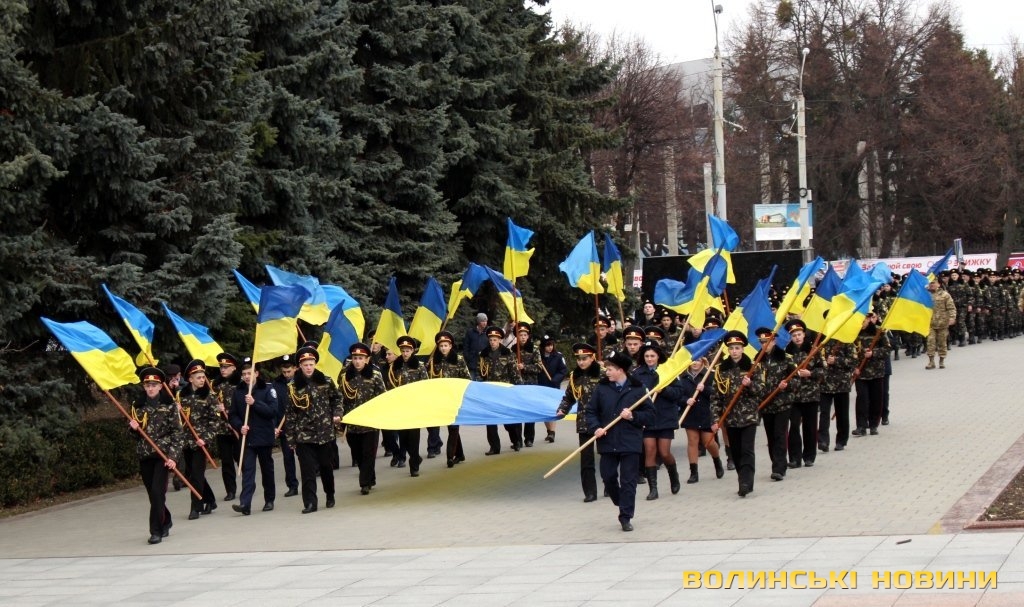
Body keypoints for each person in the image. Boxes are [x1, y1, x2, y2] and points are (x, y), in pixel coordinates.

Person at [586, 351, 655, 532]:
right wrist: (596, 427)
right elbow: (591, 411)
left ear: (621, 370)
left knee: (628, 480)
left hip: (630, 441)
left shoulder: (638, 388)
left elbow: (650, 415)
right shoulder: (602, 388)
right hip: (607, 440)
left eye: (610, 369)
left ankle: (626, 516)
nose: (606, 372)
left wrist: (633, 416)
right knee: (608, 476)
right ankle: (620, 500)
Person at [129, 367, 185, 544]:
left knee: (157, 492)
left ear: (161, 386)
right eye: (148, 385)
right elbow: (134, 436)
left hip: (163, 456)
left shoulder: (169, 405)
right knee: (153, 495)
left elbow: (177, 433)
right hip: (145, 455)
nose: (151, 388)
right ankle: (166, 520)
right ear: (144, 387)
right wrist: (133, 429)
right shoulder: (138, 406)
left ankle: (156, 531)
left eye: (154, 385)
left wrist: (173, 457)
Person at [287, 346, 343, 513]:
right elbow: (290, 413)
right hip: (304, 435)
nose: (308, 367)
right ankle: (310, 503)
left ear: (315, 364)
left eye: (311, 364)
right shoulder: (293, 387)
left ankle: (330, 494)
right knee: (307, 471)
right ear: (299, 366)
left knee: (326, 467)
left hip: (324, 433)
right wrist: (291, 439)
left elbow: (337, 398)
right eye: (305, 365)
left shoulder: (325, 381)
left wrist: (337, 413)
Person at [710, 331, 764, 497]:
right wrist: (715, 419)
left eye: (737, 348)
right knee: (736, 451)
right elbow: (716, 397)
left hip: (748, 416)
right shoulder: (721, 370)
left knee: (747, 450)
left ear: (743, 349)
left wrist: (750, 385)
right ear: (728, 350)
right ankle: (743, 477)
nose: (734, 351)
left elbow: (761, 390)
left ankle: (745, 482)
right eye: (732, 348)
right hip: (730, 417)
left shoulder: (752, 367)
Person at [631, 340, 683, 499]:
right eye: (646, 356)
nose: (649, 359)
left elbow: (678, 394)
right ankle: (653, 488)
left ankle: (673, 475)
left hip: (665, 416)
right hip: (647, 417)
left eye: (652, 356)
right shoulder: (637, 373)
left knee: (664, 452)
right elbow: (632, 394)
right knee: (650, 451)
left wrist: (664, 390)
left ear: (658, 356)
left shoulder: (668, 370)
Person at [229, 357, 279, 516]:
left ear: (256, 373)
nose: (246, 377)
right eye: (244, 374)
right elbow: (233, 415)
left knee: (267, 470)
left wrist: (255, 403)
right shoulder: (238, 391)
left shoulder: (267, 389)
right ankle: (245, 503)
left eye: (249, 373)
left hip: (264, 436)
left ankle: (269, 499)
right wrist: (239, 426)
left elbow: (272, 411)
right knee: (248, 470)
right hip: (248, 438)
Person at [555, 343, 603, 502]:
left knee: (607, 456)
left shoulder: (603, 373)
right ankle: (590, 492)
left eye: (585, 358)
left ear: (592, 358)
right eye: (579, 359)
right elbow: (569, 396)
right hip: (584, 422)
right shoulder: (574, 376)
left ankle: (609, 486)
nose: (581, 362)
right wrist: (562, 409)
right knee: (586, 460)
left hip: (603, 422)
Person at [177, 359, 222, 519]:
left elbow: (215, 421)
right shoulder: (181, 396)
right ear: (190, 379)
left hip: (200, 442)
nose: (202, 380)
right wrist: (176, 410)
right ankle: (210, 500)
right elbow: (176, 420)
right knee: (193, 474)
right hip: (186, 441)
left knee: (196, 475)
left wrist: (205, 438)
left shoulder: (209, 396)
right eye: (198, 377)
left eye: (203, 377)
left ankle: (195, 508)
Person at [341, 343, 388, 495]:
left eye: (360, 358)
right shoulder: (345, 376)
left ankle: (364, 483)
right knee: (358, 454)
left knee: (368, 453)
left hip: (370, 422)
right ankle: (369, 476)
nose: (357, 361)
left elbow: (382, 396)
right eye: (355, 358)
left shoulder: (375, 374)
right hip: (352, 423)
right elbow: (339, 397)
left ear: (366, 359)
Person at [783, 319, 824, 469]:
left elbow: (823, 371)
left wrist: (810, 373)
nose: (797, 338)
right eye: (794, 335)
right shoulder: (786, 353)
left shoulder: (813, 351)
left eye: (799, 334)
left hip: (810, 394)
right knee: (794, 426)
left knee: (810, 426)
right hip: (793, 396)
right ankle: (795, 458)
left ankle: (809, 456)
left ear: (804, 334)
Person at [427, 331, 471, 467]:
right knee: (452, 427)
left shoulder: (458, 359)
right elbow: (430, 381)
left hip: (455, 398)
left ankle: (450, 457)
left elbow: (467, 378)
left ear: (450, 346)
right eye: (441, 346)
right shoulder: (434, 361)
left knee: (453, 427)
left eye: (446, 345)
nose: (443, 348)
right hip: (441, 399)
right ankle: (460, 454)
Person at [755, 328, 795, 481]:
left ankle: (779, 468)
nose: (764, 345)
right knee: (771, 437)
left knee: (779, 434)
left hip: (782, 403)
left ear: (774, 341)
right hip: (766, 404)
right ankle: (776, 462)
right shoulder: (757, 360)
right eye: (762, 342)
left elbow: (796, 380)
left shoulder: (786, 358)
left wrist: (787, 385)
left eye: (767, 341)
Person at [386, 335, 428, 476]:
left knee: (414, 438)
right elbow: (390, 385)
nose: (405, 353)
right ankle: (416, 457)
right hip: (400, 407)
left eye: (407, 351)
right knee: (403, 437)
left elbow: (425, 385)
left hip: (414, 406)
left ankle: (414, 467)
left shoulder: (419, 366)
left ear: (412, 351)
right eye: (403, 351)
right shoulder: (394, 366)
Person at [678, 357, 725, 482]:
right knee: (692, 442)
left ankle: (717, 461)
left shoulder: (710, 375)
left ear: (703, 361)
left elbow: (718, 393)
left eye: (698, 360)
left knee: (708, 442)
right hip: (691, 413)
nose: (695, 363)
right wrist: (685, 400)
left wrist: (705, 389)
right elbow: (677, 395)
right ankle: (693, 472)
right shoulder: (682, 377)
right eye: (693, 360)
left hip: (706, 413)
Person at [479, 325, 522, 454]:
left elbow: (514, 373)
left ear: (500, 340)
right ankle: (494, 447)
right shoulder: (484, 355)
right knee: (490, 420)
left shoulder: (507, 354)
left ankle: (516, 441)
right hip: (489, 391)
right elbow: (481, 373)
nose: (492, 342)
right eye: (491, 340)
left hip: (504, 391)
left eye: (495, 340)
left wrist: (519, 389)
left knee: (508, 420)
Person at [852, 312, 891, 436]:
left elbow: (887, 349)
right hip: (860, 372)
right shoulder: (853, 333)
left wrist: (873, 353)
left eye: (864, 320)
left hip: (876, 372)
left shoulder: (879, 332)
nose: (861, 323)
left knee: (876, 399)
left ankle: (874, 424)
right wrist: (853, 368)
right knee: (862, 399)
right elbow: (850, 351)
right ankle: (861, 426)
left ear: (869, 319)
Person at [819, 336, 856, 453]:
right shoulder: (822, 340)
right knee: (824, 413)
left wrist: (837, 360)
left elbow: (853, 361)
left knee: (842, 414)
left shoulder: (847, 340)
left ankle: (841, 440)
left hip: (841, 384)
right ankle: (823, 441)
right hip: (825, 383)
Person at [212, 353, 241, 501]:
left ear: (233, 368)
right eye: (221, 367)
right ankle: (230, 490)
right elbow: (208, 404)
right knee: (226, 461)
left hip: (238, 427)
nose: (223, 369)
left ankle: (248, 486)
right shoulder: (215, 385)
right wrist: (216, 408)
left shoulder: (240, 383)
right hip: (222, 429)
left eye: (226, 367)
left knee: (241, 458)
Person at [272, 355, 300, 498]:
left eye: (289, 371)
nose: (287, 375)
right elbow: (274, 406)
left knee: (303, 456)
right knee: (288, 457)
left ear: (295, 368)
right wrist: (275, 426)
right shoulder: (276, 385)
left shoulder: (301, 381)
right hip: (285, 426)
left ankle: (309, 481)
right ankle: (292, 485)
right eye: (284, 372)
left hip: (301, 426)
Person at [514, 323, 541, 447]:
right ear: (517, 336)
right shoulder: (513, 349)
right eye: (520, 335)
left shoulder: (534, 349)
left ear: (528, 336)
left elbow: (539, 367)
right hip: (517, 384)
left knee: (530, 412)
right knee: (518, 412)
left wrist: (524, 367)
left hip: (531, 384)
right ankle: (517, 439)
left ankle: (529, 438)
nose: (523, 337)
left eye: (525, 335)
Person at [537, 334, 568, 443]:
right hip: (541, 386)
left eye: (551, 345)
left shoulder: (558, 356)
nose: (550, 347)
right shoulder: (538, 357)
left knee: (553, 409)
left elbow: (563, 370)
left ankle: (552, 432)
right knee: (544, 409)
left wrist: (556, 379)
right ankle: (549, 431)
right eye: (547, 345)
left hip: (553, 386)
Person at [926, 277, 957, 369]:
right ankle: (931, 361)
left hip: (942, 323)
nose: (932, 285)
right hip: (930, 323)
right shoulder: (925, 295)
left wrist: (952, 317)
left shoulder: (945, 295)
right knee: (930, 342)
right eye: (930, 283)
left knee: (942, 342)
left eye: (933, 283)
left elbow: (951, 307)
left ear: (939, 284)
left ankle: (941, 360)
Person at [463, 313, 490, 380]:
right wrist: (468, 358)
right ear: (478, 322)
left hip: (483, 365)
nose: (485, 323)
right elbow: (466, 347)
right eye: (483, 321)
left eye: (486, 321)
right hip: (472, 363)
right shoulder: (470, 332)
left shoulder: (488, 332)